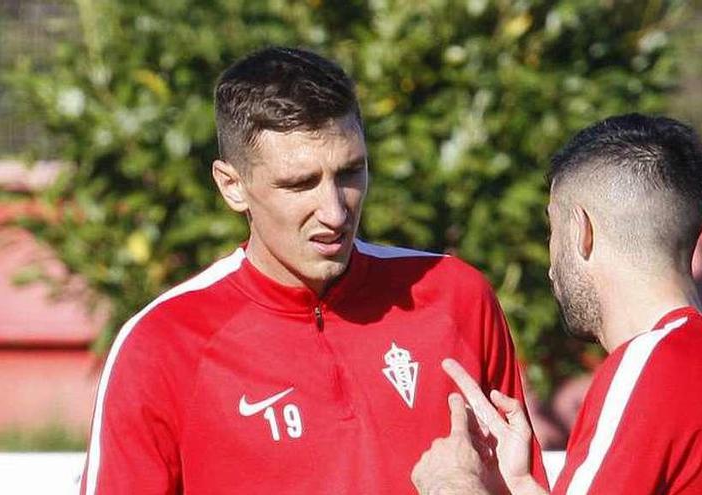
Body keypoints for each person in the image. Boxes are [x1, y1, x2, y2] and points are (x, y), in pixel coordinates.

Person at [80, 46, 547, 494]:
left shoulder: (454, 297)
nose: (335, 211)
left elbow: (525, 484)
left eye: (350, 173)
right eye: (300, 184)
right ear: (232, 186)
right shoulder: (162, 343)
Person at [412, 114, 702, 495]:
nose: (552, 266)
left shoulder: (652, 367)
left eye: (551, 230)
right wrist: (522, 485)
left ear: (581, 231)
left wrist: (451, 486)